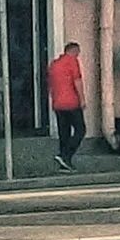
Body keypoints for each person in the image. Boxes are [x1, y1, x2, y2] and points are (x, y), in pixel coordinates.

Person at [45, 39, 86, 170]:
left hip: (58, 103)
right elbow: (77, 81)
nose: (78, 56)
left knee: (64, 133)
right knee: (80, 130)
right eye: (78, 53)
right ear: (73, 51)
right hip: (71, 102)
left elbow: (50, 85)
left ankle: (64, 163)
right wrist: (82, 99)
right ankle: (66, 155)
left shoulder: (54, 64)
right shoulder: (72, 61)